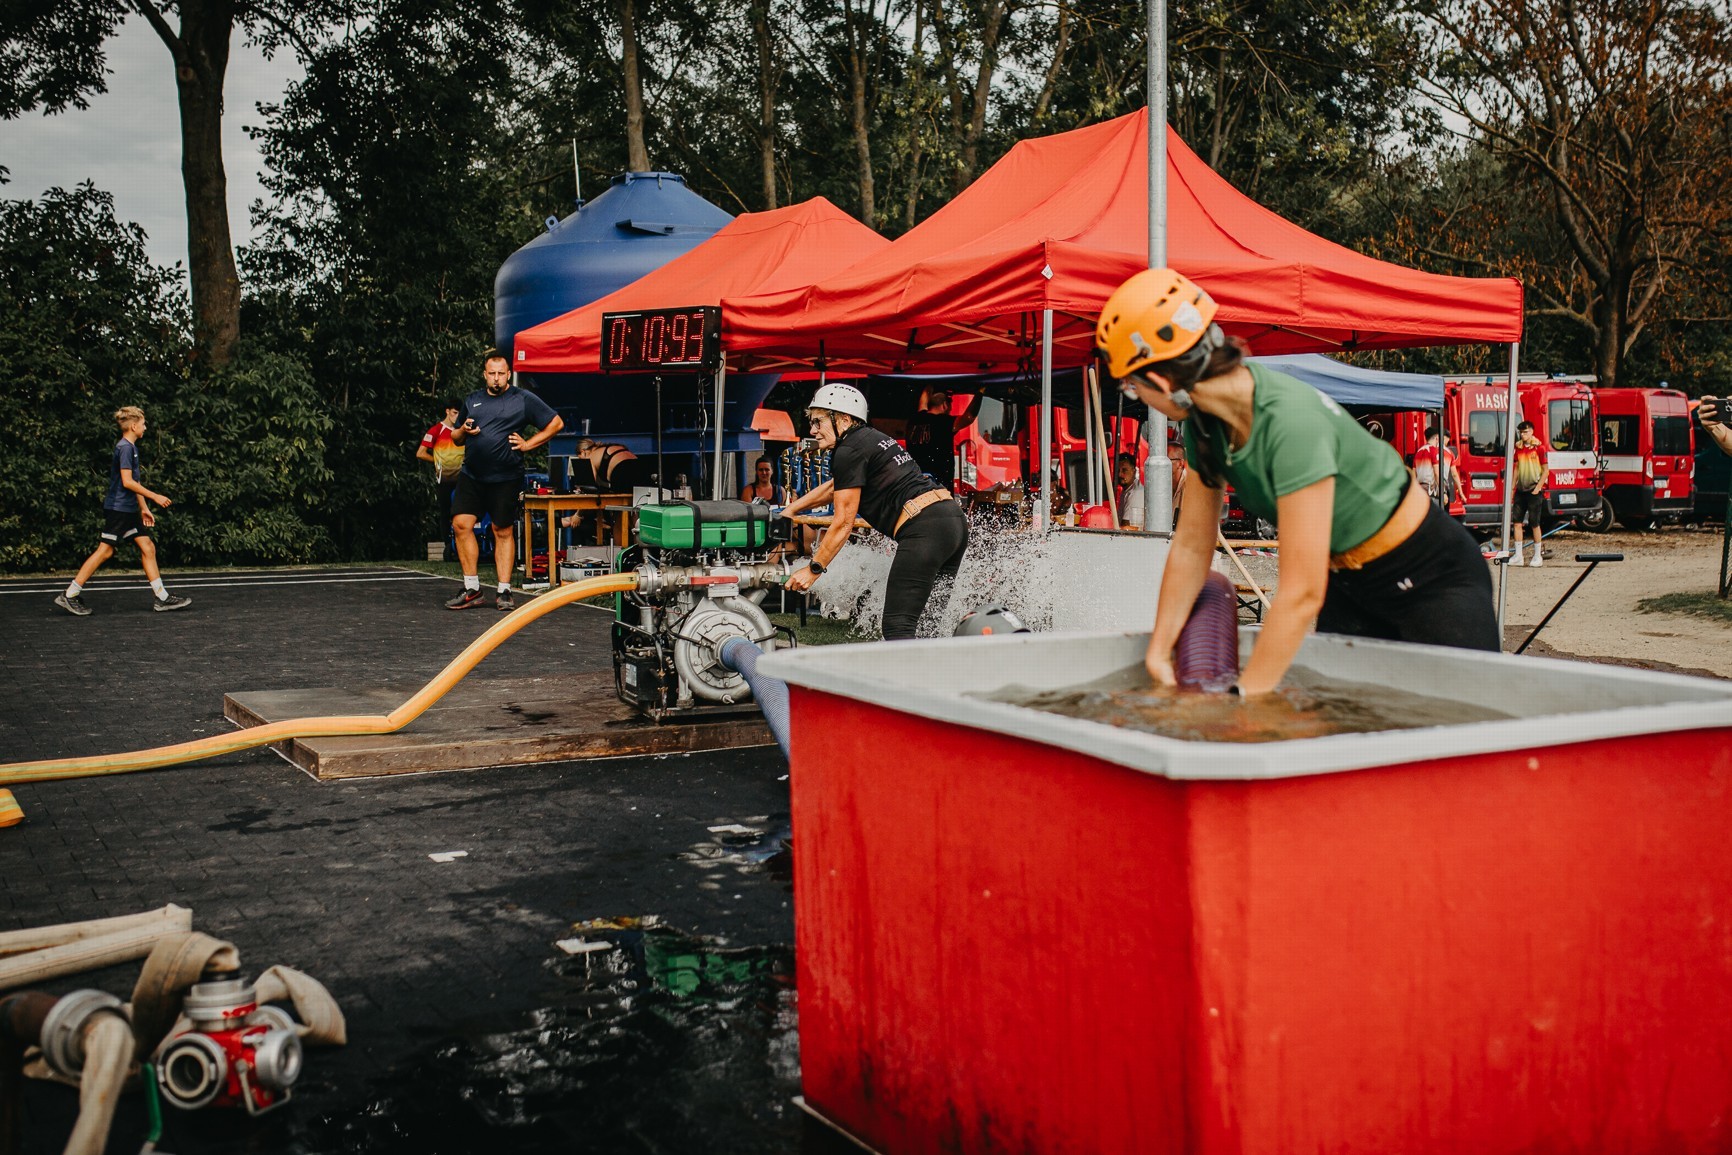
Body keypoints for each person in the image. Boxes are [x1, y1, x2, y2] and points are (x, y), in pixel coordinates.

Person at [1095, 268, 1497, 696]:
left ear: (1159, 379)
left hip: (1431, 575)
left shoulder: (1288, 422)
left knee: (1464, 721)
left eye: (1132, 387)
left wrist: (1242, 701)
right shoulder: (1203, 428)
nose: (1137, 396)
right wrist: (1159, 653)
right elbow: (1193, 545)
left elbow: (1301, 592)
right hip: (1349, 581)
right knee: (1340, 720)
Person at [782, 383, 969, 640]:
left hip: (926, 530)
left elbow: (843, 523)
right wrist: (790, 510)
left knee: (898, 627)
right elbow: (835, 487)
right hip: (952, 522)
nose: (812, 430)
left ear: (844, 419)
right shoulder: (870, 439)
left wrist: (813, 569)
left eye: (818, 421)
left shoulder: (848, 450)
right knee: (927, 628)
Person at [447, 351, 564, 611]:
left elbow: (556, 423)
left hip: (506, 477)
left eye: (501, 373)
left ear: (508, 374)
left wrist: (528, 444)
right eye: (492, 373)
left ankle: (504, 591)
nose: (497, 378)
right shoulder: (473, 399)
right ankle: (472, 589)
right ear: (485, 375)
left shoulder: (522, 399)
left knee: (502, 530)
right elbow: (455, 437)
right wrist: (463, 430)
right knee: (461, 524)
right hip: (472, 475)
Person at [54, 406, 192, 616]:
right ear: (134, 426)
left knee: (147, 546)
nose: (145, 427)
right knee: (106, 551)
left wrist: (144, 508)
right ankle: (70, 594)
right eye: (143, 424)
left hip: (128, 509)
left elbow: (134, 483)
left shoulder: (131, 447)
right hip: (118, 509)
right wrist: (155, 496)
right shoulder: (125, 448)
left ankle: (162, 598)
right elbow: (127, 482)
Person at [902, 386, 982, 491]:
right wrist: (980, 394)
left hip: (915, 483)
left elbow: (923, 401)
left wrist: (929, 384)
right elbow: (969, 417)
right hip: (938, 486)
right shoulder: (944, 422)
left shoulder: (915, 420)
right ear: (944, 405)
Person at [417, 400, 465, 561]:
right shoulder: (436, 430)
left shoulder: (462, 431)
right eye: (455, 413)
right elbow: (420, 453)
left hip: (463, 479)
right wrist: (437, 461)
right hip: (444, 480)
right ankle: (448, 546)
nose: (457, 417)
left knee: (463, 513)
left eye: (460, 414)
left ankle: (463, 545)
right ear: (447, 411)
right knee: (446, 513)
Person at [1511, 420, 1547, 566]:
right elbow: (1516, 468)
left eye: (1525, 432)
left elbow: (1546, 470)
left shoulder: (1539, 448)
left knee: (1534, 523)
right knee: (1517, 522)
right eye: (1521, 432)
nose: (1523, 435)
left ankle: (1537, 555)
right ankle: (1518, 555)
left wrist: (1538, 487)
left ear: (1532, 432)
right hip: (1521, 490)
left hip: (1534, 490)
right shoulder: (1518, 448)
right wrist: (1512, 487)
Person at [1413, 424, 1464, 505]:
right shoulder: (1434, 451)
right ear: (1437, 437)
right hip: (1431, 492)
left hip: (1420, 491)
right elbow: (1437, 473)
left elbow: (1414, 474)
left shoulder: (1418, 452)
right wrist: (1443, 492)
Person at [1116, 453, 1146, 529]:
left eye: (1124, 470)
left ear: (1134, 471)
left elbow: (1126, 527)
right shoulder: (1127, 490)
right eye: (1118, 470)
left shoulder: (1135, 493)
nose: (1120, 474)